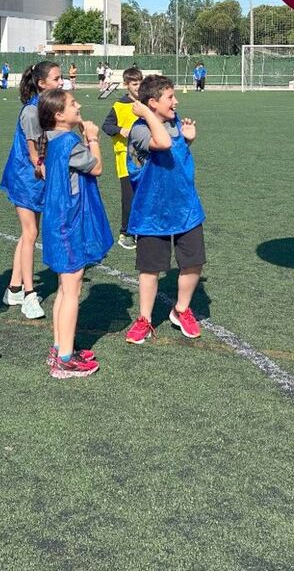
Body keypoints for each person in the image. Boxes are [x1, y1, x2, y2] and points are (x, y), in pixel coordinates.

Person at [123, 75, 206, 345]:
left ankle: (181, 310)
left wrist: (188, 139)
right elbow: (164, 144)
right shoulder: (139, 129)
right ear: (152, 102)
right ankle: (144, 319)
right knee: (150, 268)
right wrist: (146, 113)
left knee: (193, 263)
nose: (176, 101)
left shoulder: (175, 122)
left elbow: (175, 153)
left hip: (186, 208)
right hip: (152, 212)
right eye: (170, 97)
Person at [38, 88, 112, 378]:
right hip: (68, 222)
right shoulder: (69, 141)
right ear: (59, 115)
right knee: (72, 289)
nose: (78, 105)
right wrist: (92, 137)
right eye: (72, 104)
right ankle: (65, 360)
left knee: (63, 287)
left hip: (57, 219)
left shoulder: (54, 139)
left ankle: (59, 347)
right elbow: (97, 168)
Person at [0, 61, 64, 319]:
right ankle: (29, 295)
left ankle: (13, 288)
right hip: (25, 176)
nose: (61, 82)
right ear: (41, 83)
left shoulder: (48, 108)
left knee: (28, 234)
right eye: (57, 79)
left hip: (35, 176)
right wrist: (50, 171)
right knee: (31, 232)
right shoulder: (31, 111)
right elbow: (34, 154)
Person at [102, 66, 144, 249]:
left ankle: (143, 230)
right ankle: (125, 232)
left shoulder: (145, 103)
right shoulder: (119, 106)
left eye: (140, 82)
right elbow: (106, 126)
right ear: (127, 85)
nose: (138, 86)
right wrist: (121, 130)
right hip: (124, 157)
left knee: (145, 193)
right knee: (129, 196)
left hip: (145, 157)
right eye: (135, 84)